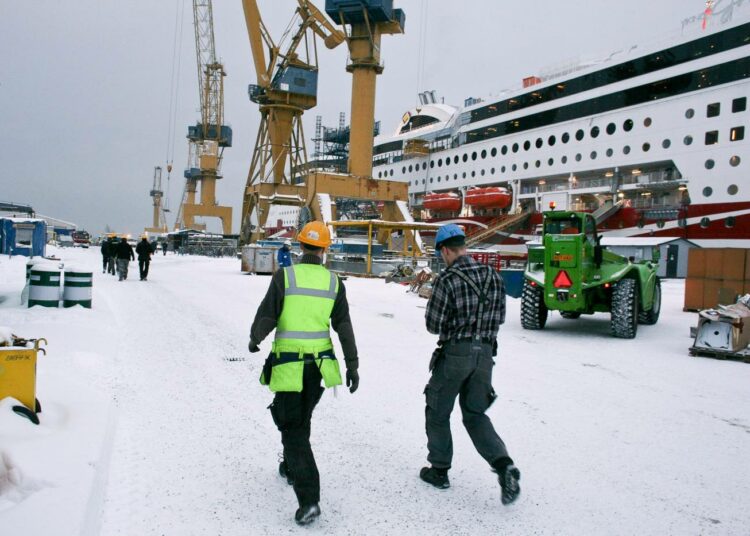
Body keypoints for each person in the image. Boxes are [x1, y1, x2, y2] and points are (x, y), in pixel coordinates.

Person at [248, 221, 359, 526]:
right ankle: (290, 466)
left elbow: (268, 314)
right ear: (325, 249)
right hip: (318, 368)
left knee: (292, 427)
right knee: (300, 418)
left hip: (289, 365)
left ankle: (308, 498)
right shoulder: (335, 283)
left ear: (299, 246)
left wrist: (254, 338)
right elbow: (344, 327)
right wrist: (353, 364)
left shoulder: (286, 276)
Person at [420, 223, 520, 505]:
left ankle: (439, 471)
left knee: (437, 410)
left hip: (455, 355)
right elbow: (500, 317)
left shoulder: (446, 280)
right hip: (485, 355)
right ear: (464, 246)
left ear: (445, 250)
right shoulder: (492, 275)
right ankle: (504, 466)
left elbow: (433, 324)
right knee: (475, 415)